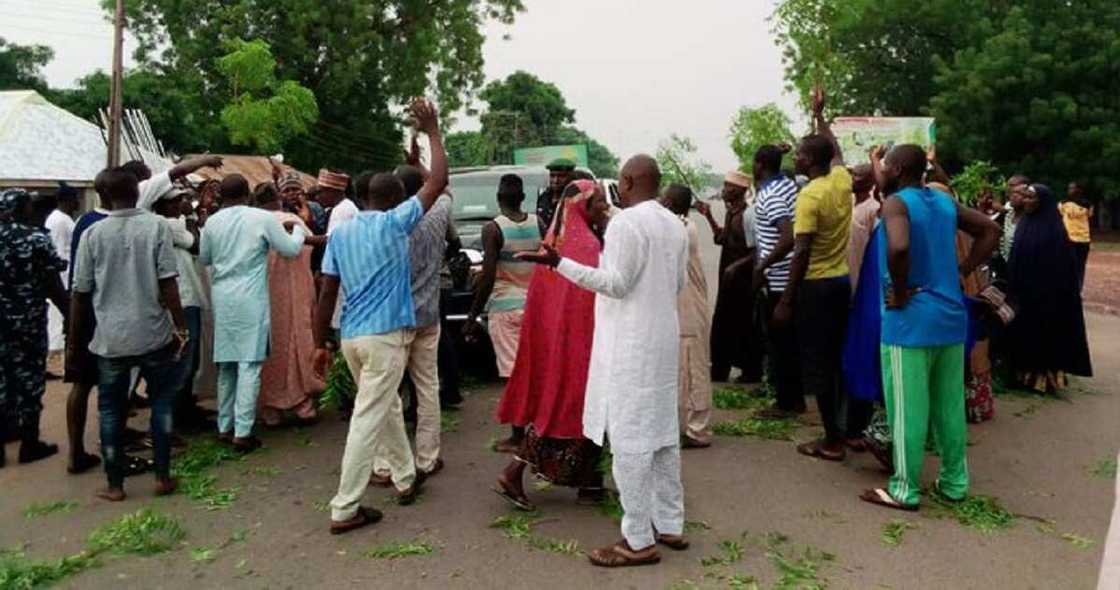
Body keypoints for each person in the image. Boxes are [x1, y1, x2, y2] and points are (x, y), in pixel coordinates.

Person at [520, 155, 690, 568]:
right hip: (661, 340)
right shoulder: (675, 224)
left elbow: (614, 284)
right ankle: (669, 523)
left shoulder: (627, 224)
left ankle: (637, 540)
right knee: (664, 436)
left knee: (631, 440)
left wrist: (559, 263)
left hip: (631, 346)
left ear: (628, 181)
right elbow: (679, 284)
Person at [311, 97, 448, 535]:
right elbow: (439, 182)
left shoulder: (340, 231)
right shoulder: (395, 223)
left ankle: (406, 479)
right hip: (386, 336)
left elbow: (327, 289)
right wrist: (432, 130)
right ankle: (345, 507)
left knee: (386, 406)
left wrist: (320, 342)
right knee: (369, 417)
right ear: (394, 200)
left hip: (351, 335)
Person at [858, 144, 1000, 511]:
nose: (882, 169)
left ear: (899, 168)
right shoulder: (943, 202)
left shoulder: (897, 204)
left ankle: (904, 489)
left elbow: (900, 247)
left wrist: (901, 289)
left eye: (885, 164)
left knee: (907, 408)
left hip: (910, 320)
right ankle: (954, 482)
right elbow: (990, 229)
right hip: (951, 318)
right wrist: (964, 270)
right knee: (949, 406)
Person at [69, 167, 190, 501]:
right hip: (153, 333)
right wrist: (180, 327)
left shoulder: (93, 234)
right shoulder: (155, 227)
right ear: (137, 192)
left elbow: (80, 293)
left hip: (110, 339)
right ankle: (163, 477)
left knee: (110, 410)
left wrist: (74, 342)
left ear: (104, 196)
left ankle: (114, 484)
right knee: (161, 404)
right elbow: (169, 282)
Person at [492, 180, 610, 510]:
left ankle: (590, 482)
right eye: (598, 202)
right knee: (568, 414)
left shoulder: (555, 241)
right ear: (581, 207)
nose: (604, 207)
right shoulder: (586, 247)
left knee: (576, 414)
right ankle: (515, 472)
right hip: (579, 345)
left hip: (557, 342)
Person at [199, 174, 307, 452]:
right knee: (249, 363)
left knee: (226, 364)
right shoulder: (261, 218)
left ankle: (225, 426)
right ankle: (243, 432)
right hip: (251, 296)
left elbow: (205, 258)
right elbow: (291, 249)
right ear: (247, 194)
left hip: (222, 296)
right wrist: (296, 227)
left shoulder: (212, 222)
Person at [367, 162, 455, 484]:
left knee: (387, 392)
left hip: (393, 318)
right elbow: (443, 186)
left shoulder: (387, 226)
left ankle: (384, 464)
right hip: (428, 316)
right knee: (427, 387)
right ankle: (427, 458)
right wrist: (423, 163)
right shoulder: (437, 215)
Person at [780, 88, 854, 462]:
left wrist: (786, 299)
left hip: (816, 287)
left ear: (810, 161)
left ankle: (832, 441)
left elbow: (802, 249)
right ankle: (847, 430)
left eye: (799, 153)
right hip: (841, 282)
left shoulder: (809, 196)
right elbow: (836, 148)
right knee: (839, 357)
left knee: (821, 364)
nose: (795, 156)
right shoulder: (840, 181)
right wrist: (819, 114)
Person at [465, 175, 541, 442]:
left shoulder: (493, 229)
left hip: (505, 308)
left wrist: (473, 315)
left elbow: (487, 277)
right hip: (535, 308)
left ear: (498, 198)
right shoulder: (538, 223)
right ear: (522, 198)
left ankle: (518, 433)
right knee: (535, 369)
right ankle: (538, 426)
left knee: (513, 372)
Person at [0, 189, 71, 467]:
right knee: (29, 380)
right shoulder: (35, 239)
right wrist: (70, 315)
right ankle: (30, 443)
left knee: (2, 379)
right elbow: (53, 282)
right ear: (23, 209)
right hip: (27, 321)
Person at [1005, 184, 1093, 393]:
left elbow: (1063, 269)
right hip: (1023, 293)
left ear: (1042, 202)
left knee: (1044, 336)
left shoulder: (1054, 231)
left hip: (1046, 296)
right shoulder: (1025, 224)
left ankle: (1044, 380)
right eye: (1024, 197)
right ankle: (1022, 376)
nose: (1026, 201)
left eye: (1031, 198)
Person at [251, 184, 324, 427]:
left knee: (270, 346)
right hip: (297, 292)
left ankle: (271, 408)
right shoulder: (291, 219)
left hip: (265, 294)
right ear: (278, 198)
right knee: (299, 341)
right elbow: (306, 248)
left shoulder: (253, 223)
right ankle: (303, 404)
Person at [63, 176, 115, 473]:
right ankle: (107, 451)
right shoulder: (96, 226)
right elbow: (82, 284)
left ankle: (77, 451)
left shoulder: (84, 222)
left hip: (84, 313)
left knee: (82, 384)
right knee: (108, 386)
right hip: (97, 314)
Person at [151, 188, 213, 432]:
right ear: (163, 206)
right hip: (182, 300)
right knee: (184, 359)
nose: (181, 204)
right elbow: (197, 244)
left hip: (186, 297)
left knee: (189, 358)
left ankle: (186, 409)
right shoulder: (169, 225)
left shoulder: (167, 224)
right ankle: (179, 417)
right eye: (176, 201)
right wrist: (191, 218)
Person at [751, 145, 805, 418]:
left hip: (780, 279)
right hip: (791, 275)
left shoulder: (770, 195)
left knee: (780, 343)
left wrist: (762, 265)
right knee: (789, 342)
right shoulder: (787, 185)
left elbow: (787, 236)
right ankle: (792, 398)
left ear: (759, 164)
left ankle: (786, 402)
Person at [696, 171, 761, 383]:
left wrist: (735, 268)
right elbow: (721, 239)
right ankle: (720, 370)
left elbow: (757, 251)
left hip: (742, 282)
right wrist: (708, 216)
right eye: (724, 185)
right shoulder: (731, 212)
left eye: (729, 186)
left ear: (741, 191)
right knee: (723, 326)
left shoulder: (749, 215)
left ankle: (751, 372)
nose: (724, 190)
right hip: (728, 282)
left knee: (743, 327)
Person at [663, 184, 713, 449]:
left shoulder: (682, 229)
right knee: (683, 369)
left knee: (694, 369)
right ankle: (688, 427)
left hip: (690, 308)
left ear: (671, 204)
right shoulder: (680, 225)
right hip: (683, 308)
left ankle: (698, 431)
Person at [45, 183, 80, 373]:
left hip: (64, 277)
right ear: (66, 200)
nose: (78, 202)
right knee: (59, 320)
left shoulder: (60, 219)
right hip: (63, 278)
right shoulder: (61, 221)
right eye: (75, 198)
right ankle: (54, 361)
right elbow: (58, 251)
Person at [1059, 181, 1093, 289]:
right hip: (1068, 239)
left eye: (1072, 188)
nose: (1070, 190)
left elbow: (1090, 216)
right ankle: (1068, 288)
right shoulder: (1063, 203)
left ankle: (1078, 288)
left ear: (1079, 190)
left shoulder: (1088, 205)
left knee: (1080, 266)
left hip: (1083, 239)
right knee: (1067, 265)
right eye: (1069, 188)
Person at [536, 158, 576, 236]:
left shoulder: (576, 200)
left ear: (571, 177)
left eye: (561, 176)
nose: (556, 180)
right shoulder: (543, 197)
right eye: (552, 176)